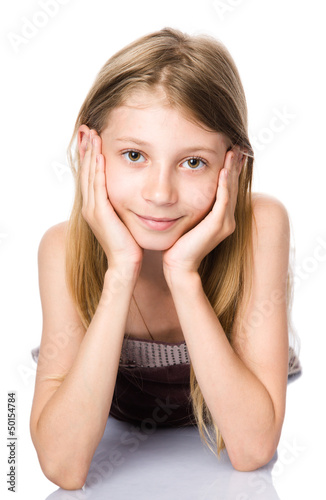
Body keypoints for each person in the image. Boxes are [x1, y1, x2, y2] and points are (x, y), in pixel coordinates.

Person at [30, 27, 300, 490]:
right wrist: (118, 273)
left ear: (232, 165)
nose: (159, 194)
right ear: (91, 152)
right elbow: (63, 467)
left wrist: (183, 275)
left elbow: (253, 450)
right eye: (134, 155)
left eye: (192, 162)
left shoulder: (262, 226)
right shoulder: (63, 250)